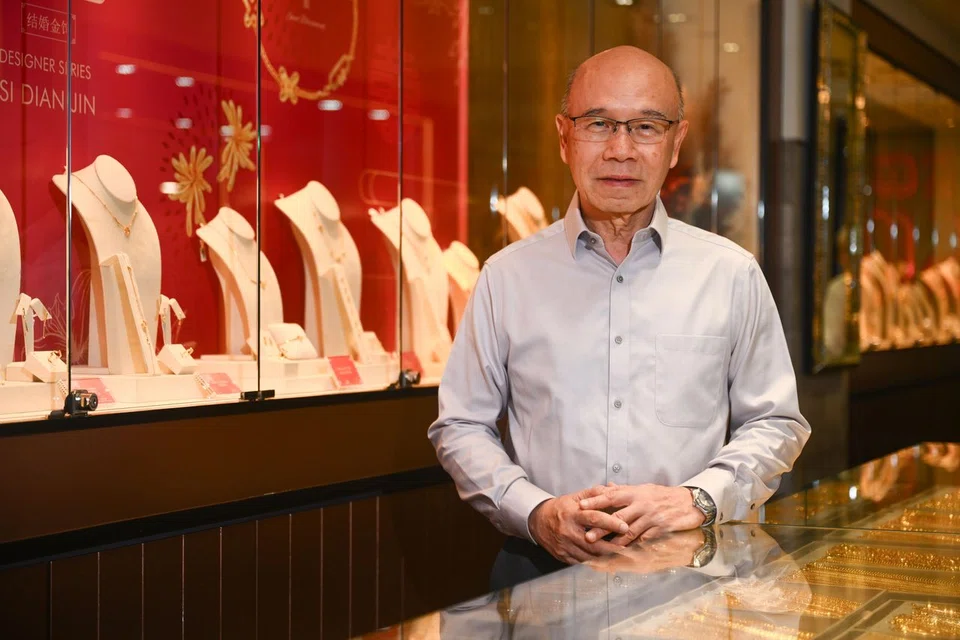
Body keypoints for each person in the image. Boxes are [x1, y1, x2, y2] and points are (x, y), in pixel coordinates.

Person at [428, 46, 810, 590]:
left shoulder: (730, 274)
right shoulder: (505, 277)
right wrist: (535, 512)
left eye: (647, 127)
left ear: (676, 143)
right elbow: (461, 424)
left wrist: (697, 499)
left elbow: (776, 422)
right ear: (565, 137)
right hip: (541, 578)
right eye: (599, 123)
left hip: (690, 583)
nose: (621, 150)